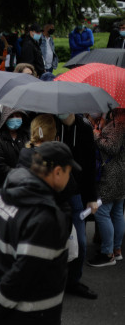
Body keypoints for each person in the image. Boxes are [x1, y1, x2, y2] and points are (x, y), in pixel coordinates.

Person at [0, 141, 77, 325]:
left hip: (10, 318)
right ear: (57, 172)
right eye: (69, 172)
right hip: (33, 321)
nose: (70, 179)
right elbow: (24, 274)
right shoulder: (46, 218)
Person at [56, 111, 99, 295]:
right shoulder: (50, 124)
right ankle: (54, 281)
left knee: (80, 242)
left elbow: (90, 165)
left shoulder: (84, 128)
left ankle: (74, 281)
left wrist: (91, 197)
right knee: (53, 242)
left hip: (77, 195)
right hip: (54, 194)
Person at [90, 109, 125, 267]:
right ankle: (116, 250)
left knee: (103, 212)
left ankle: (108, 253)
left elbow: (112, 148)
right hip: (120, 172)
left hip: (112, 174)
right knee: (117, 212)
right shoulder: (118, 120)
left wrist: (97, 135)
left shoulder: (120, 122)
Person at [0, 107, 28, 191]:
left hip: (24, 185)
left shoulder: (26, 136)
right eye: (11, 116)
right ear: (5, 118)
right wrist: (19, 174)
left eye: (18, 116)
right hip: (4, 186)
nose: (15, 119)